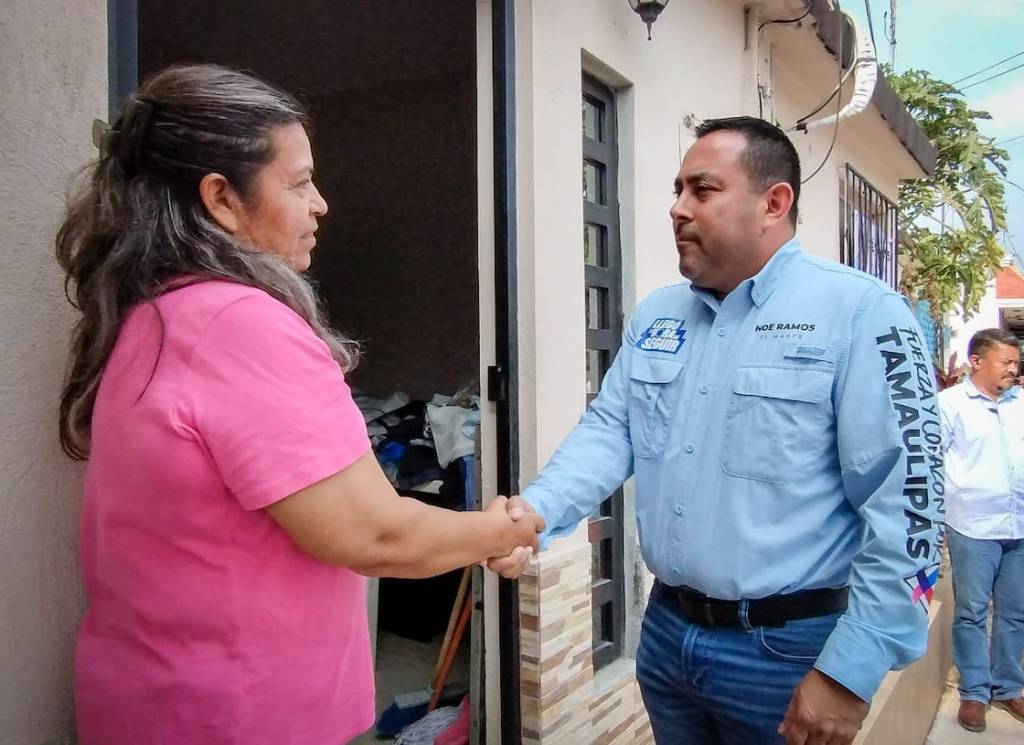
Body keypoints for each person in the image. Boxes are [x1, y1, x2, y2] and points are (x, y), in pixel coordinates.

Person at [56, 64, 543, 745]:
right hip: (243, 717)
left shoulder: (151, 313)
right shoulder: (239, 322)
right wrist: (498, 530)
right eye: (300, 182)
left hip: (148, 698)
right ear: (222, 198)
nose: (321, 205)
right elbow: (375, 533)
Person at [491, 116, 943, 745]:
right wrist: (534, 514)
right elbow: (611, 430)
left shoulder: (864, 314)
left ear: (773, 203)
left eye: (701, 191)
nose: (677, 209)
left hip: (788, 656)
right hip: (668, 636)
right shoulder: (657, 316)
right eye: (677, 190)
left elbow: (910, 505)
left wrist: (850, 670)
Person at [939, 328, 1024, 733]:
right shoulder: (950, 405)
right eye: (1005, 361)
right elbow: (930, 462)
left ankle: (1008, 686)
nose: (1014, 368)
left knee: (1015, 612)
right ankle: (975, 692)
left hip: (1020, 525)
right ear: (977, 361)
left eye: (1015, 361)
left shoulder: (1021, 403)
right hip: (972, 526)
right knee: (972, 612)